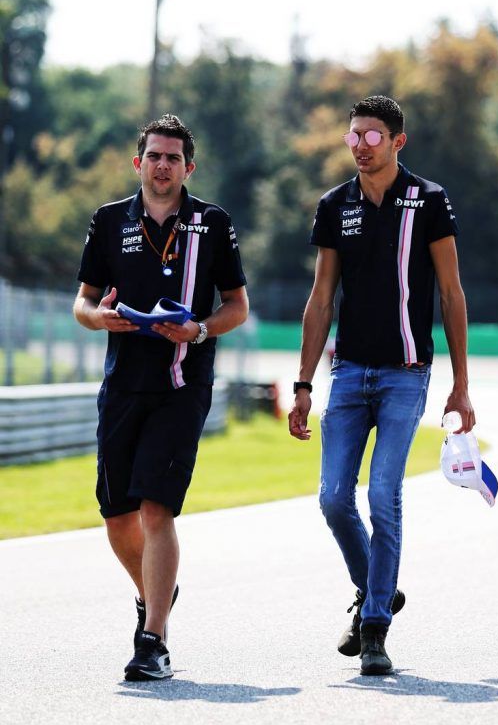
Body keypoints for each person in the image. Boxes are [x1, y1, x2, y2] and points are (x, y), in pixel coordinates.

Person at [288, 95, 475, 675]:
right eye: (354, 135)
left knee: (382, 495)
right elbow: (321, 299)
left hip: (407, 375)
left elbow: (450, 293)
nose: (361, 145)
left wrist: (461, 386)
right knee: (333, 498)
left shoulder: (429, 201)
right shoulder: (333, 205)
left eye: (373, 136)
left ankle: (374, 626)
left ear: (398, 142)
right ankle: (376, 585)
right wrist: (302, 384)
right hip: (347, 376)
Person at [74, 114, 248, 681]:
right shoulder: (107, 222)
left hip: (182, 385)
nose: (164, 165)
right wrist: (99, 319)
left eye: (174, 157)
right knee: (118, 518)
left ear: (188, 167)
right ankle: (155, 596)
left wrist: (197, 330)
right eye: (155, 155)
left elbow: (236, 307)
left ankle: (153, 642)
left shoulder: (213, 224)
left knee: (155, 509)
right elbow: (82, 303)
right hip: (122, 384)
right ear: (138, 162)